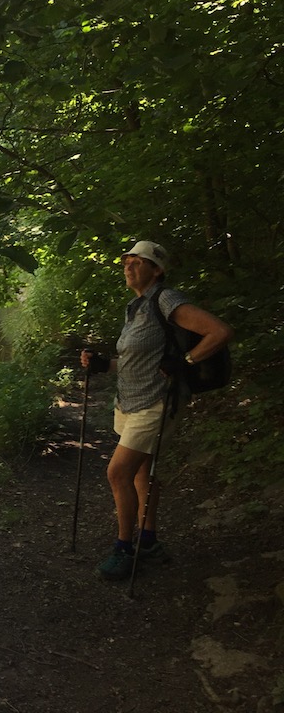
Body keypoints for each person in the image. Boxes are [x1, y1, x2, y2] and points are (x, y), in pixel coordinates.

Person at [81, 241, 233, 581]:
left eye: (138, 261)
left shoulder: (166, 299)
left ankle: (124, 548)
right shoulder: (135, 306)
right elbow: (138, 360)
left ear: (157, 269)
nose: (129, 265)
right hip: (129, 401)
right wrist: (104, 364)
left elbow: (219, 332)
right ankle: (148, 541)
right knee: (141, 474)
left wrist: (185, 362)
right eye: (126, 261)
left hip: (157, 403)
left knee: (117, 473)